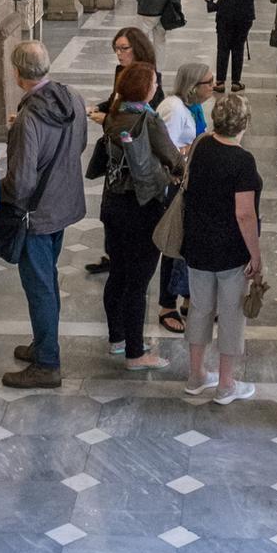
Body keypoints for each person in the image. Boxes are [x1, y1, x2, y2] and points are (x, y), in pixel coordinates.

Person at [0, 42, 89, 388]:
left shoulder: (29, 119)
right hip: (62, 203)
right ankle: (42, 342)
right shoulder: (72, 97)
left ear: (18, 74)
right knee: (47, 280)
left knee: (39, 287)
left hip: (36, 215)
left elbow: (21, 182)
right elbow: (79, 144)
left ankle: (48, 363)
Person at [100, 62, 184, 369]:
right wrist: (179, 170)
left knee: (118, 274)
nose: (156, 86)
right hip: (141, 206)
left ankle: (117, 339)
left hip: (113, 203)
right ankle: (136, 353)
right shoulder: (147, 119)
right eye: (153, 82)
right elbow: (173, 159)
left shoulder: (114, 112)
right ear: (146, 89)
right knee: (138, 281)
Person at [182, 95, 263, 405]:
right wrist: (255, 254)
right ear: (244, 124)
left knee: (200, 309)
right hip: (230, 250)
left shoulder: (202, 145)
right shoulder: (242, 161)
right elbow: (244, 214)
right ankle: (226, 384)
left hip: (197, 245)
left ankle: (196, 375)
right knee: (230, 314)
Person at [85, 28, 166, 276]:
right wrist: (98, 108)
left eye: (124, 48)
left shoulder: (149, 79)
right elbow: (115, 102)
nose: (119, 54)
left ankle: (123, 257)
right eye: (116, 49)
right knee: (110, 205)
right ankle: (112, 253)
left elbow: (138, 117)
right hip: (116, 154)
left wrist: (108, 119)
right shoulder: (122, 73)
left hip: (135, 156)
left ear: (137, 49)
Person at [154, 63, 216, 333]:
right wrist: (194, 147)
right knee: (174, 244)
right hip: (173, 185)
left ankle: (191, 298)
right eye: (208, 82)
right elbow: (161, 147)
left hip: (192, 181)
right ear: (193, 86)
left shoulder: (194, 108)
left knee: (191, 243)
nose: (213, 86)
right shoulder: (174, 109)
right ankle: (167, 304)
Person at [207, 0, 260, 93]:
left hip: (227, 14)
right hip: (246, 14)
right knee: (238, 47)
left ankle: (220, 81)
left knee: (223, 47)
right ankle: (236, 81)